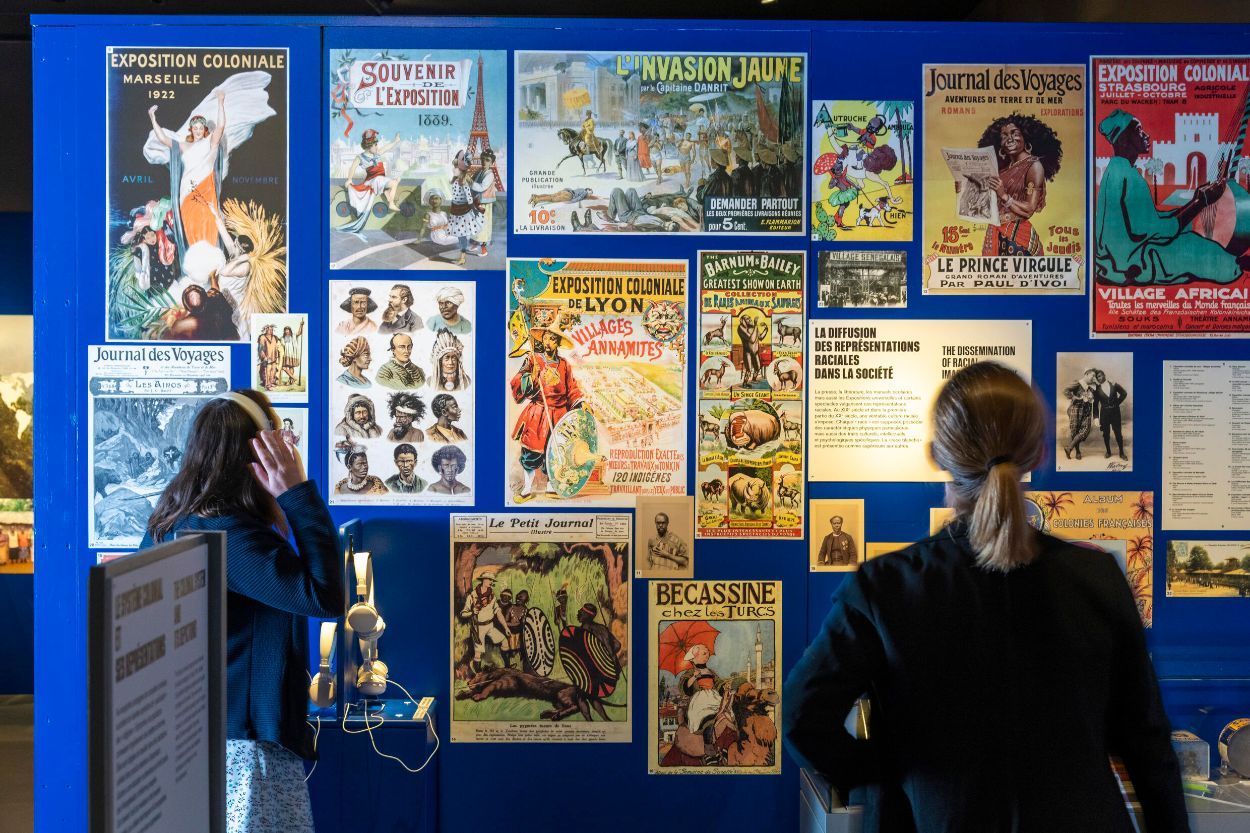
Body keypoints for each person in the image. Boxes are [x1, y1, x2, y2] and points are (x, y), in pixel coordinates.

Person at [783, 361, 1188, 832]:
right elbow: (1147, 743)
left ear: (937, 455)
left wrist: (884, 772)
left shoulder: (884, 586)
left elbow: (800, 716)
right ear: (1038, 454)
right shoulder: (1097, 578)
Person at [141, 390, 340, 833]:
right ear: (259, 453)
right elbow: (326, 596)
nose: (289, 445)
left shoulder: (173, 522)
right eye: (280, 437)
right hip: (243, 750)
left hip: (194, 739)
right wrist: (296, 492)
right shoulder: (230, 538)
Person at [1094, 109, 1244, 286]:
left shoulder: (1118, 170)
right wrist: (1200, 202)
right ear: (1123, 139)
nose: (1146, 135)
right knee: (1199, 249)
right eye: (1139, 130)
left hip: (1120, 258)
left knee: (1190, 238)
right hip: (1133, 262)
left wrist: (1195, 201)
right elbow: (1156, 230)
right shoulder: (1128, 176)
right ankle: (1235, 265)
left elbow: (1150, 221)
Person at [510, 322, 584, 502]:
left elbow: (572, 388)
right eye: (545, 338)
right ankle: (525, 488)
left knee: (557, 452)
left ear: (557, 342)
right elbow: (517, 380)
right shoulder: (533, 359)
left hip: (559, 414)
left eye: (552, 339)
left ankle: (551, 486)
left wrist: (580, 403)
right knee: (531, 453)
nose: (548, 342)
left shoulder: (564, 364)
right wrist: (531, 376)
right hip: (538, 414)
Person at [977, 113, 1061, 257]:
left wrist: (1004, 195)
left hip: (1018, 239)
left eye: (1015, 133)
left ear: (1026, 137)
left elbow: (1029, 209)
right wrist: (965, 189)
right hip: (997, 234)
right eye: (1004, 136)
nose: (1009, 139)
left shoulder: (1034, 166)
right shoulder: (1004, 169)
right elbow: (990, 205)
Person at [338, 129, 404, 236]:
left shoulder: (377, 153)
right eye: (375, 145)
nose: (377, 147)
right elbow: (352, 168)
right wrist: (349, 179)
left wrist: (396, 141)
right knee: (394, 183)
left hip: (380, 180)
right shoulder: (360, 157)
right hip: (373, 180)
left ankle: (389, 199)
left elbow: (387, 147)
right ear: (369, 146)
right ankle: (391, 204)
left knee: (392, 183)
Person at [458, 573, 509, 673]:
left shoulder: (492, 596)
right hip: (479, 627)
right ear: (483, 580)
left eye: (492, 580)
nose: (491, 582)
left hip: (490, 626)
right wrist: (472, 612)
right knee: (478, 653)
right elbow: (463, 613)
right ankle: (478, 673)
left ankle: (508, 667)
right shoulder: (472, 596)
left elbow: (498, 613)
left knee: (504, 641)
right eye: (489, 579)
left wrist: (506, 627)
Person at [1091, 368, 1129, 461]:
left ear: (1104, 375)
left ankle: (1121, 453)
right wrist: (1096, 418)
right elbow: (1095, 405)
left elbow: (1124, 393)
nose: (1099, 378)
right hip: (1104, 415)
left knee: (1118, 434)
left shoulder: (1113, 384)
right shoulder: (1097, 390)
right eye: (1097, 377)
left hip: (1115, 413)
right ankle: (1108, 452)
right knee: (1106, 434)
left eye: (1100, 376)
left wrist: (1116, 403)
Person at [1062, 373, 1095, 460]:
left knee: (1085, 430)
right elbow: (1065, 390)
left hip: (1087, 411)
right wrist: (1074, 397)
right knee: (1075, 430)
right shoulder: (1078, 383)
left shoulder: (1092, 387)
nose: (1093, 377)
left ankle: (1069, 448)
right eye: (1092, 375)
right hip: (1076, 409)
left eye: (1095, 376)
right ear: (1086, 374)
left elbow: (1091, 400)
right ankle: (1077, 451)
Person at [280, 322, 304, 387]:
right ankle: (293, 378)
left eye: (288, 330)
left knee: (291, 367)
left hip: (293, 354)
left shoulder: (293, 335)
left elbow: (300, 332)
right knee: (284, 367)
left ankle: (290, 380)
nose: (287, 332)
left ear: (290, 331)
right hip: (286, 355)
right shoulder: (282, 338)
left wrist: (301, 325)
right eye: (285, 331)